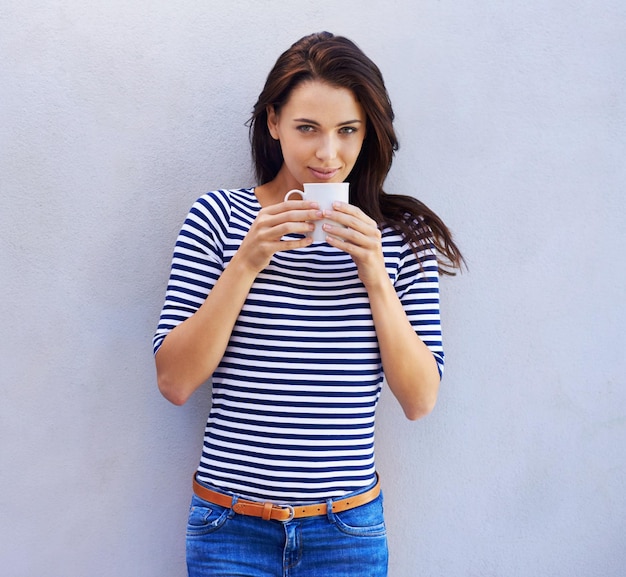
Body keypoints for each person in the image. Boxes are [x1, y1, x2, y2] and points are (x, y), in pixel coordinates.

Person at [153, 31, 463, 577]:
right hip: (230, 528)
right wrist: (246, 262)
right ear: (273, 123)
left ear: (369, 133)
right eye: (307, 129)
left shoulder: (398, 238)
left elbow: (420, 400)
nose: (328, 154)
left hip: (347, 531)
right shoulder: (218, 219)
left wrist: (374, 273)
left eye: (348, 131)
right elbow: (175, 382)